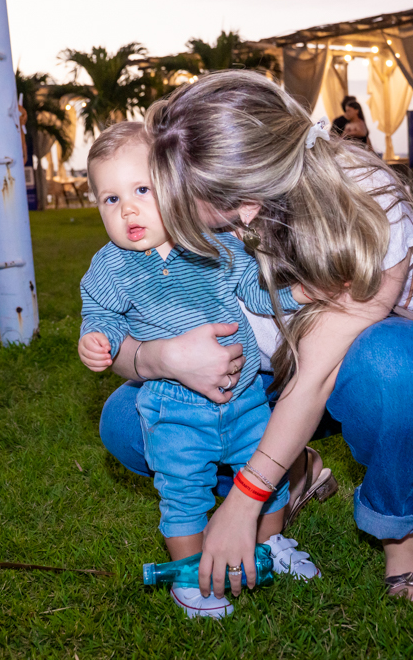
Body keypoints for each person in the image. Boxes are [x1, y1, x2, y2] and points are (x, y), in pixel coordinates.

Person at [96, 71, 413, 603]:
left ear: (247, 195)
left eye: (201, 205)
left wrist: (242, 504)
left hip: (378, 370)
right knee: (125, 420)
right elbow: (118, 336)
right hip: (269, 379)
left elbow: (318, 376)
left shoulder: (369, 201)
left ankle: (399, 528)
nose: (184, 219)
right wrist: (161, 357)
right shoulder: (201, 198)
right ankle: (294, 469)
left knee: (390, 366)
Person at [78, 121, 319, 619]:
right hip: (172, 406)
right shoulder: (109, 268)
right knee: (182, 490)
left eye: (141, 190)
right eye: (110, 199)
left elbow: (255, 291)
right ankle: (190, 575)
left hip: (246, 392)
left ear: (173, 186)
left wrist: (296, 294)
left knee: (264, 473)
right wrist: (95, 340)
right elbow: (99, 312)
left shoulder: (213, 245)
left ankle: (269, 543)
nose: (127, 209)